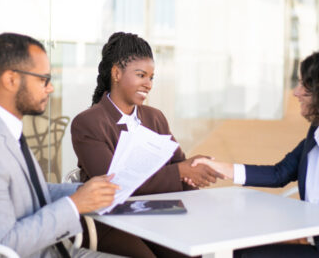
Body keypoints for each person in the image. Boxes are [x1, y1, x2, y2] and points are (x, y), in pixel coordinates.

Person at [71, 32, 223, 257]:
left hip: (155, 213)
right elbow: (114, 183)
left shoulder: (155, 118)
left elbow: (179, 164)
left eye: (151, 77)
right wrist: (180, 171)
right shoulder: (88, 123)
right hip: (108, 220)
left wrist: (196, 172)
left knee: (189, 252)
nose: (148, 84)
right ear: (116, 73)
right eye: (141, 75)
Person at [192, 44, 319, 257]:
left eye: (304, 85)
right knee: (236, 246)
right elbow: (280, 173)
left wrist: (303, 234)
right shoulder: (317, 132)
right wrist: (221, 168)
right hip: (317, 241)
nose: (296, 92)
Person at [0, 32, 121, 258]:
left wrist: (86, 191)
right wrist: (74, 205)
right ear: (11, 80)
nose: (51, 88)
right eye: (43, 79)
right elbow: (5, 245)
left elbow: (32, 191)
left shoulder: (10, 131)